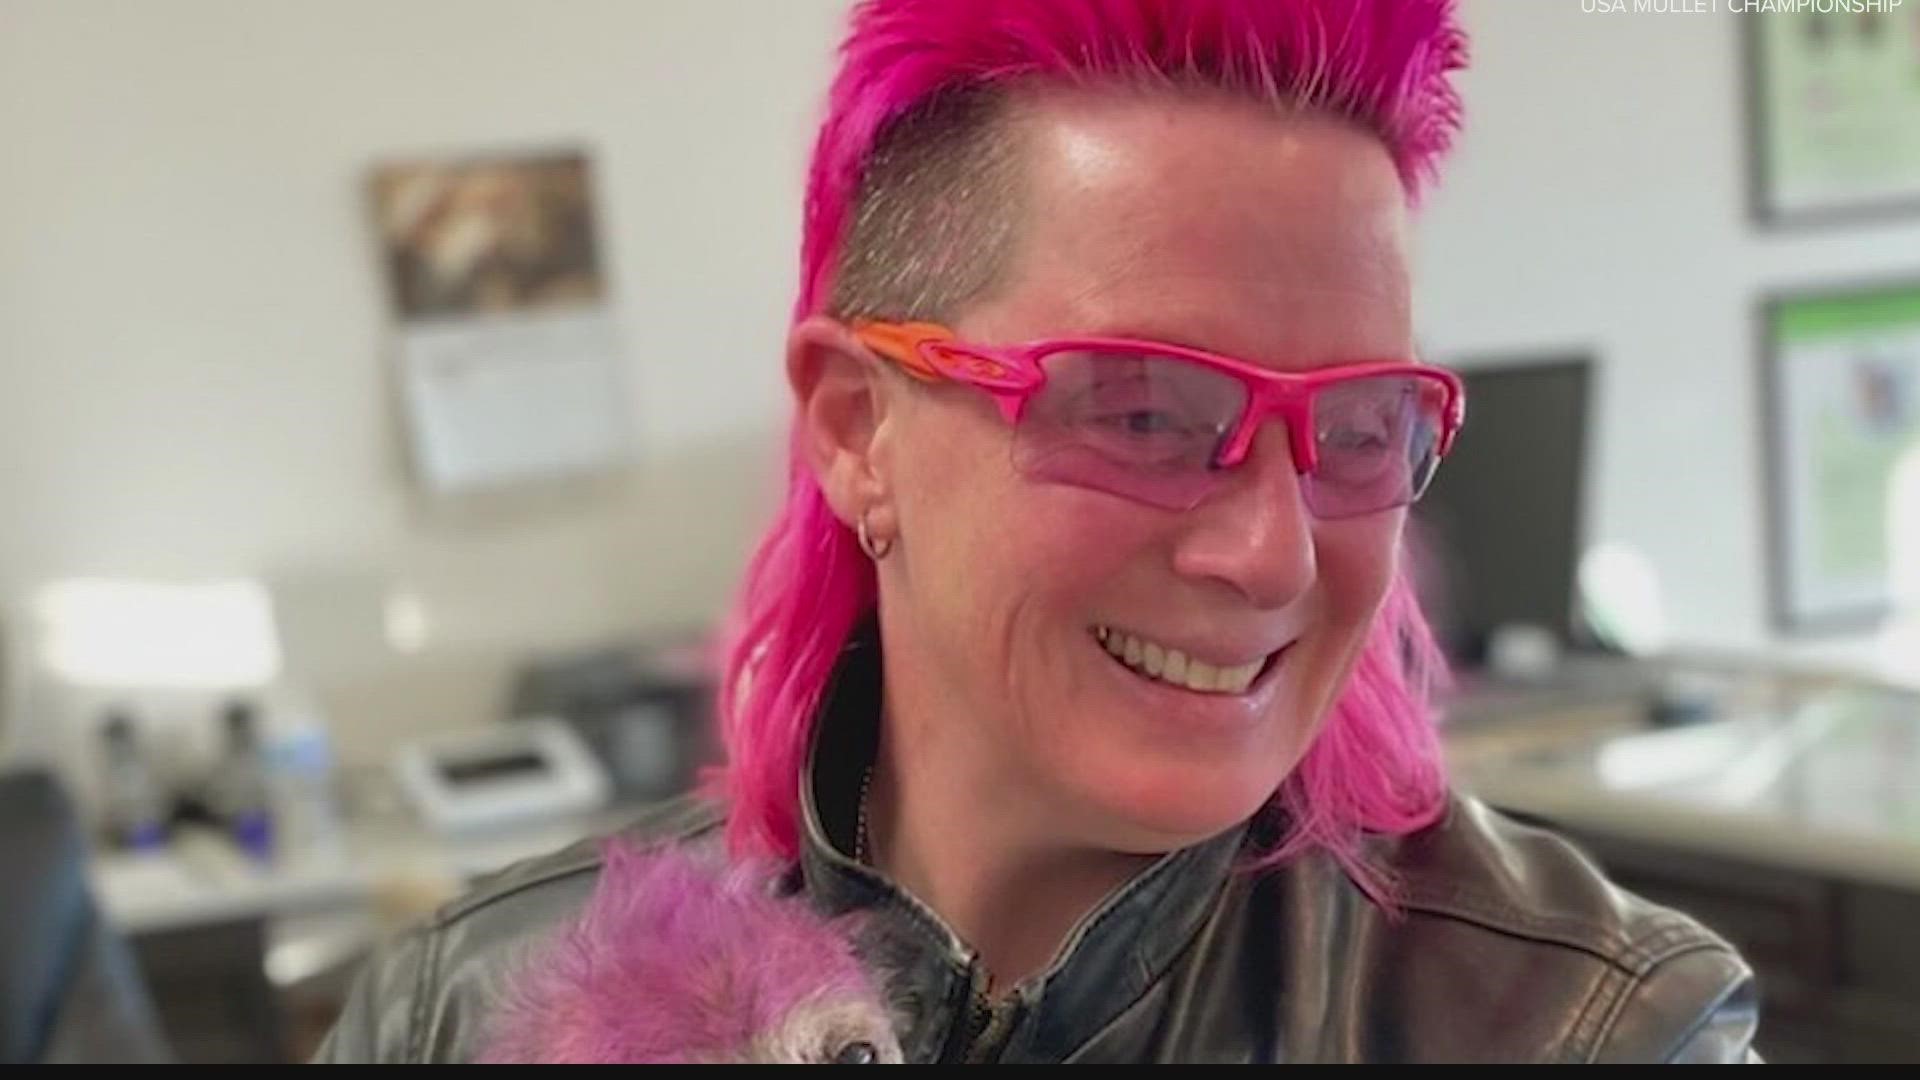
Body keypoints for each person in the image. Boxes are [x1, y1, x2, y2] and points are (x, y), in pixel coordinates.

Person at [316, 0, 1760, 1062]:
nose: (1272, 555)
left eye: (1359, 427)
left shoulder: (1591, 1033)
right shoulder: (473, 1011)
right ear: (855, 431)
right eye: (1139, 413)